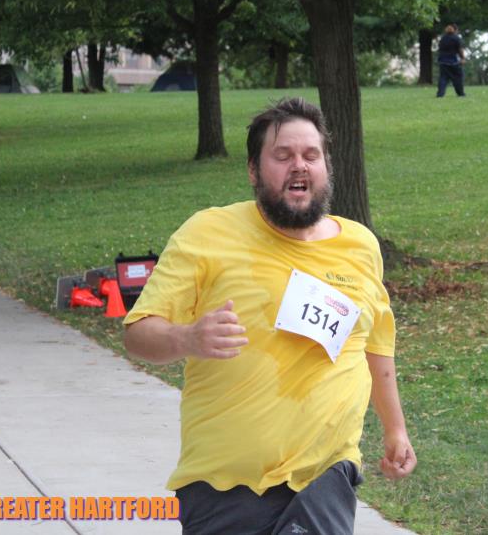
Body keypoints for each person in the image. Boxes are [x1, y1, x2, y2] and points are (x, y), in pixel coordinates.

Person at [123, 97, 416, 535]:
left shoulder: (359, 245)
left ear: (326, 166)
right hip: (225, 485)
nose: (299, 166)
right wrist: (187, 338)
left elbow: (374, 344)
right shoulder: (207, 233)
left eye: (311, 155)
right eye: (283, 156)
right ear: (253, 171)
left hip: (325, 474)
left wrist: (395, 429)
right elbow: (137, 334)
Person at [436, 23, 466, 97]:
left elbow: (440, 49)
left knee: (443, 78)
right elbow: (460, 49)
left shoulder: (443, 38)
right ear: (456, 30)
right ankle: (460, 93)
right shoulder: (456, 38)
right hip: (453, 62)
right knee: (458, 78)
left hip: (442, 61)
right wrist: (462, 58)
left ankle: (440, 94)